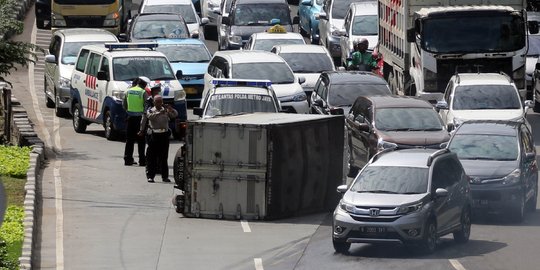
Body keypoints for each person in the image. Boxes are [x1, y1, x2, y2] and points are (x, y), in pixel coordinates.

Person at [145, 95, 178, 183]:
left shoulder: (165, 110)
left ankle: (165, 176)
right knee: (152, 157)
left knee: (163, 157)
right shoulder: (151, 110)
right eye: (157, 102)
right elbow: (150, 116)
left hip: (164, 135)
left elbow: (174, 115)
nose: (159, 103)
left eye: (161, 101)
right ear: (154, 102)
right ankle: (150, 176)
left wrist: (170, 110)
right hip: (154, 135)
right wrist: (159, 113)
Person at [123, 76, 150, 166]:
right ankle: (142, 161)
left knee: (129, 140)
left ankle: (128, 159)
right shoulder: (143, 92)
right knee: (141, 141)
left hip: (129, 118)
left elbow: (124, 105)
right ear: (144, 84)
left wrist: (129, 111)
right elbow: (147, 107)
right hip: (140, 119)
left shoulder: (128, 91)